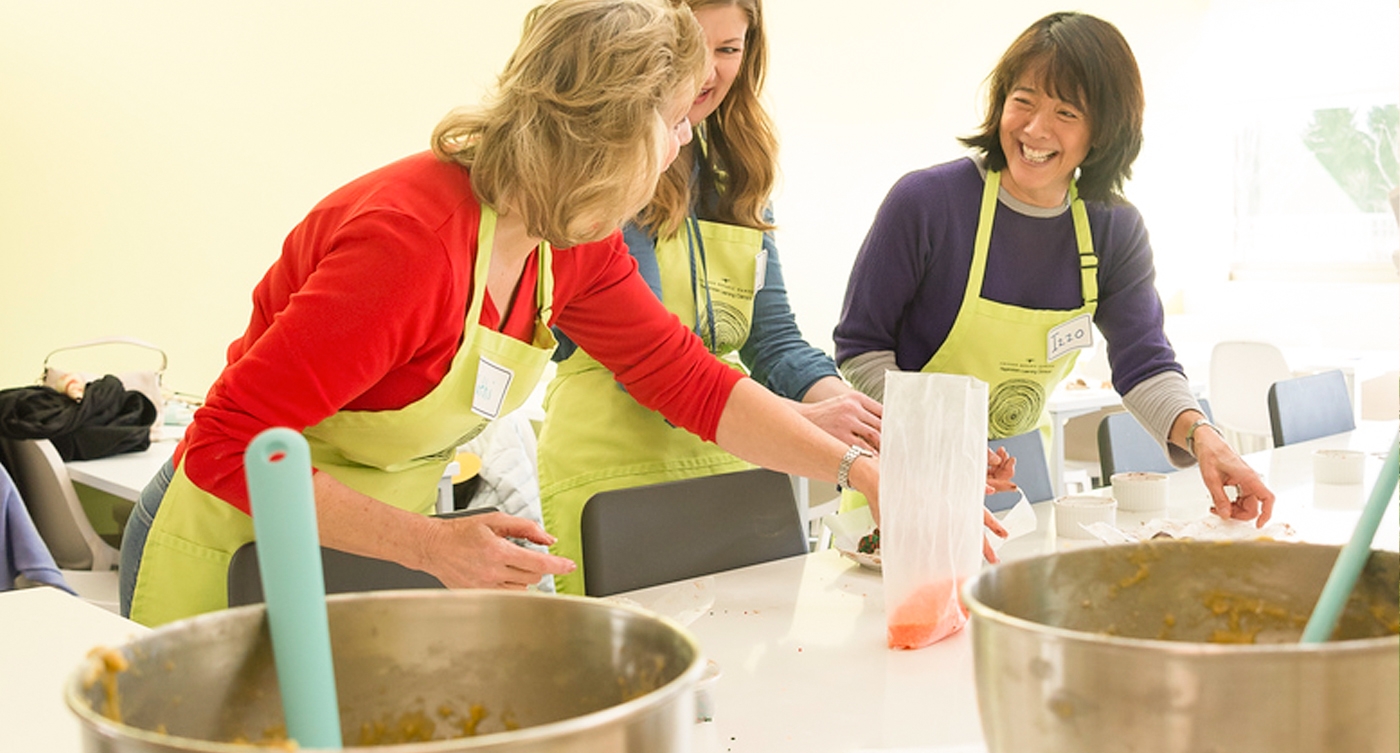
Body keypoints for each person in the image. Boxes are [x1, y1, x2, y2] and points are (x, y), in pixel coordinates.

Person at [119, 0, 880, 626]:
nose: (684, 140)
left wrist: (862, 472)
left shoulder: (570, 238)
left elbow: (687, 379)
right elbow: (229, 445)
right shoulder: (409, 247)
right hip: (233, 546)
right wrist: (429, 546)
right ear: (615, 132)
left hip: (365, 553)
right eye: (675, 120)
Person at [833, 11, 1273, 525]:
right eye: (1023, 100)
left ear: (1103, 131)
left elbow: (1144, 363)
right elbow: (861, 347)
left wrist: (1205, 438)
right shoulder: (928, 203)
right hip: (903, 483)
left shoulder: (1113, 229)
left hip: (1019, 489)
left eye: (1066, 112)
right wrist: (944, 440)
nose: (1035, 129)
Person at [535, 0, 887, 595]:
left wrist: (865, 422)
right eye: (691, 46)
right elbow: (655, 364)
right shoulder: (607, 171)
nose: (707, 72)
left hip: (733, 466)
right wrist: (815, 430)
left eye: (728, 50)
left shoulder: (736, 172)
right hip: (613, 478)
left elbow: (773, 342)